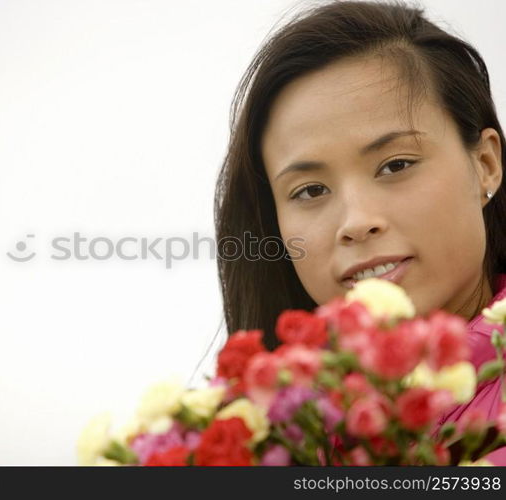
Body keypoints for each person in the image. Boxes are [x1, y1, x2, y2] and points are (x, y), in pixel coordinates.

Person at [213, 0, 506, 464]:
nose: (355, 221)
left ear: (485, 164)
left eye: (395, 165)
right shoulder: (268, 439)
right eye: (310, 191)